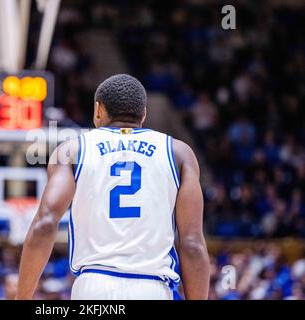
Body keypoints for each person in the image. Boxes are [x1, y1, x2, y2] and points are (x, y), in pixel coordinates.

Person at [16, 74, 210, 300]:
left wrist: (22, 297)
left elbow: (45, 223)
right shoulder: (178, 153)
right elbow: (192, 244)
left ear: (98, 109)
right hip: (153, 288)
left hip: (93, 287)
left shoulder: (73, 150)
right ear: (143, 114)